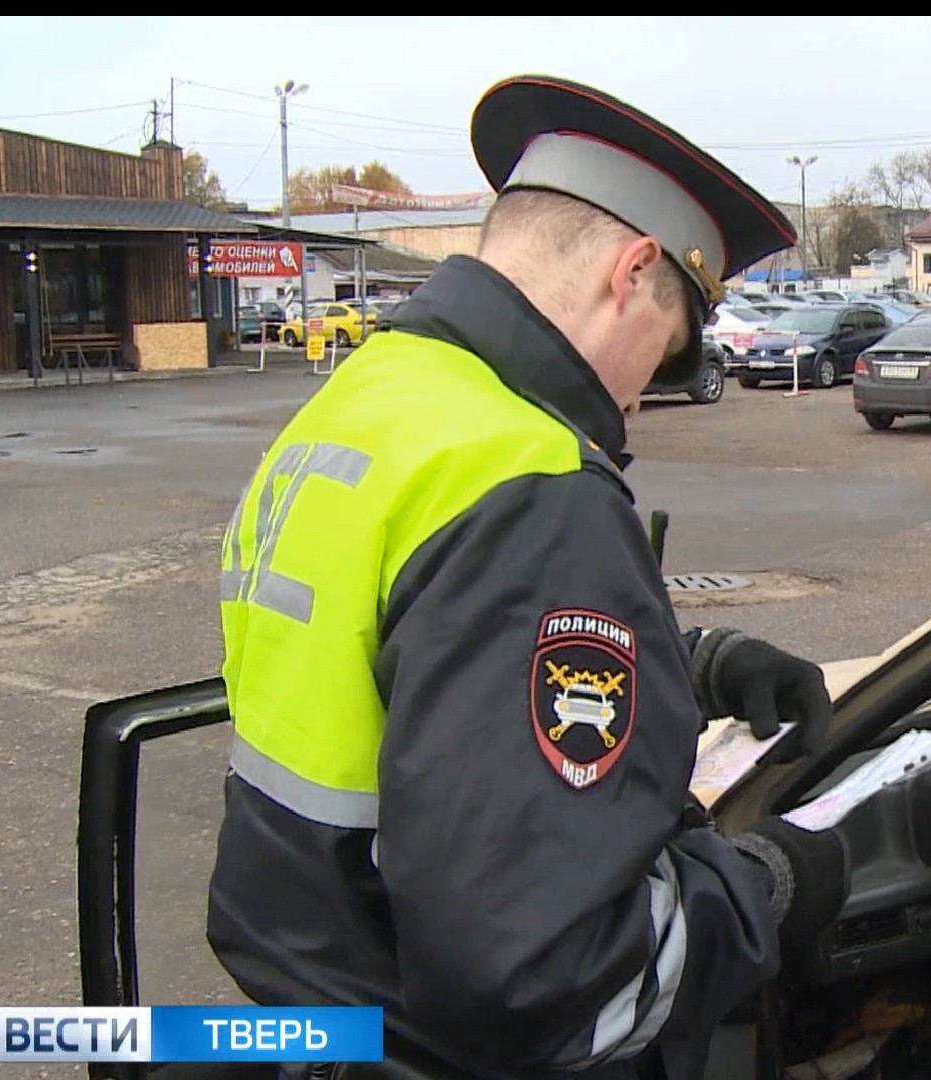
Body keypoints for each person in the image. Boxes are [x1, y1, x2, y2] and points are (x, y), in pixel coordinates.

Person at [208, 75, 851, 1080]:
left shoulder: (372, 400)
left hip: (323, 1020)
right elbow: (551, 984)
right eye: (669, 348)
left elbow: (421, 670)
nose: (641, 398)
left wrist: (694, 663)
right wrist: (764, 885)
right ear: (632, 272)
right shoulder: (533, 485)